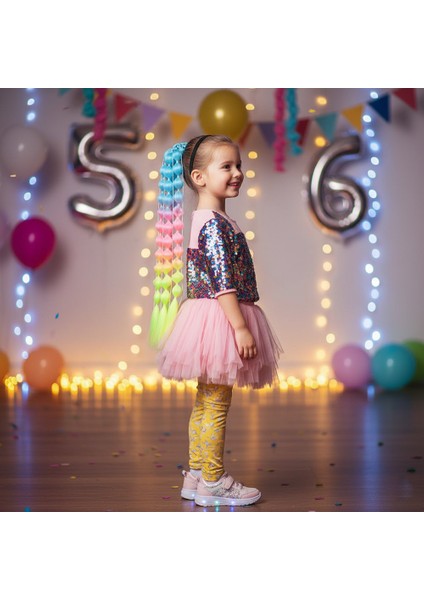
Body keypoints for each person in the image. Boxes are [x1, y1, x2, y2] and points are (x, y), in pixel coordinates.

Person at [150, 134, 283, 507]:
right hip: (221, 315)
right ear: (199, 177)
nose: (237, 172)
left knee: (207, 400)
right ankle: (213, 480)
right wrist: (240, 327)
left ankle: (197, 474)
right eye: (226, 166)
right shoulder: (212, 223)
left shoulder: (211, 219)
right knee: (216, 404)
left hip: (209, 314)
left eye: (238, 165)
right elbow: (222, 279)